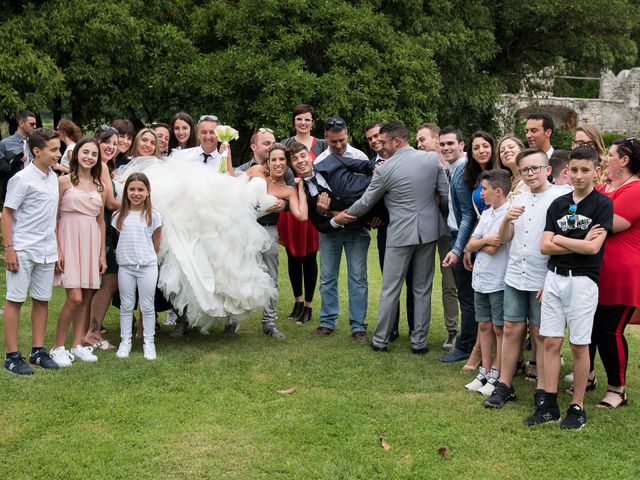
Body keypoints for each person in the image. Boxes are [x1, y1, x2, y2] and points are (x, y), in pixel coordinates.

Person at [114, 132, 277, 336]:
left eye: (152, 142)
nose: (147, 144)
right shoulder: (126, 168)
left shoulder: (164, 167)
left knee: (180, 267)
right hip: (136, 229)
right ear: (136, 142)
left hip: (166, 227)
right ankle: (145, 322)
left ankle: (176, 319)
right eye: (143, 140)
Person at [335, 121, 449, 352]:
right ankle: (419, 343)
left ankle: (380, 340)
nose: (380, 146)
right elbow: (445, 196)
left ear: (397, 141)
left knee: (390, 289)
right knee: (422, 289)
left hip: (399, 235)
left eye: (384, 142)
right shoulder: (431, 160)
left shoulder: (384, 170)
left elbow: (365, 202)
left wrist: (341, 215)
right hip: (428, 232)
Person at [527, 146, 613, 430]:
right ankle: (548, 404)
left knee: (579, 344)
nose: (578, 175)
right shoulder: (559, 204)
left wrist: (561, 240)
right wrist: (575, 241)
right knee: (551, 341)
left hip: (582, 282)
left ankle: (577, 406)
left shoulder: (602, 204)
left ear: (596, 172)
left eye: (585, 170)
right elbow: (543, 246)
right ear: (567, 171)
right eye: (574, 170)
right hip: (554, 277)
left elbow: (592, 248)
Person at [483, 148, 570, 409]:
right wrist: (506, 219)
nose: (530, 174)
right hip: (514, 276)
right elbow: (505, 238)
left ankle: (543, 388)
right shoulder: (517, 198)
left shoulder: (560, 198)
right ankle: (504, 385)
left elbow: (562, 241)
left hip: (543, 277)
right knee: (511, 329)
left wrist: (550, 279)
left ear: (548, 170)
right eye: (525, 170)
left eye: (535, 168)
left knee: (541, 333)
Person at [289, 141, 378, 342]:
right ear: (292, 165)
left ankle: (358, 326)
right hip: (330, 234)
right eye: (295, 159)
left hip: (357, 230)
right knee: (328, 278)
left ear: (310, 156)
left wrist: (377, 166)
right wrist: (332, 218)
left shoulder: (331, 162)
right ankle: (327, 322)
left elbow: (363, 167)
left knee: (358, 278)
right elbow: (318, 224)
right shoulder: (301, 190)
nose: (300, 161)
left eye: (302, 156)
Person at [2, 128, 61, 375]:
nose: (59, 154)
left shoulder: (53, 178)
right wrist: (10, 249)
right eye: (54, 150)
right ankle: (12, 357)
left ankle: (38, 351)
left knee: (42, 300)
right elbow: (7, 213)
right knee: (15, 300)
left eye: (59, 149)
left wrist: (56, 248)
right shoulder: (22, 179)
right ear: (37, 151)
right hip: (23, 248)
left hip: (47, 250)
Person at [588, 138, 640, 409]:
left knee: (610, 330)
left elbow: (613, 223)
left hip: (621, 271)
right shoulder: (602, 187)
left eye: (610, 155)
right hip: (594, 269)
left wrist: (584, 219)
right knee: (590, 328)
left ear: (625, 160)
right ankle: (588, 376)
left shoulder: (635, 189)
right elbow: (582, 210)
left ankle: (617, 389)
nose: (605, 159)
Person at [50, 138, 107, 365]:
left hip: (91, 240)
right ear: (76, 155)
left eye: (94, 154)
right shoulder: (63, 182)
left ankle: (78, 345)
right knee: (74, 297)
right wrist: (57, 249)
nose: (89, 157)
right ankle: (57, 346)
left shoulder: (99, 187)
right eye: (85, 152)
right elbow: (53, 217)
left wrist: (102, 253)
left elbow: (101, 222)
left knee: (85, 298)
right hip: (68, 239)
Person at [233, 127, 290, 340]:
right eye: (266, 143)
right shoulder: (242, 170)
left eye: (273, 142)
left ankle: (269, 322)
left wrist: (283, 203)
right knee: (237, 273)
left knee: (271, 275)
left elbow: (290, 194)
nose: (271, 147)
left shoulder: (283, 168)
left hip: (269, 229)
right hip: (243, 231)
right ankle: (232, 321)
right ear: (254, 146)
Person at [464, 169, 511, 394]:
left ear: (498, 191)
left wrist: (480, 243)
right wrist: (481, 242)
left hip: (498, 281)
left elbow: (493, 247)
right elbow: (471, 244)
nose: (481, 193)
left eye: (484, 189)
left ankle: (496, 374)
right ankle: (483, 371)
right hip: (481, 280)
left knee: (499, 328)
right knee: (483, 325)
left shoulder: (508, 214)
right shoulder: (487, 213)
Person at [279, 104, 326, 323]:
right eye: (299, 119)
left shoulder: (322, 145)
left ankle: (308, 304)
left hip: (312, 208)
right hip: (291, 208)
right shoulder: (285, 144)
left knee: (309, 256)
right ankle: (297, 301)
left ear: (312, 122)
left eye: (307, 119)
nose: (303, 123)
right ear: (294, 121)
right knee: (292, 255)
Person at [416, 123, 458, 350]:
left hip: (450, 231)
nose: (419, 144)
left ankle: (456, 331)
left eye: (423, 140)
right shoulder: (419, 164)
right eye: (417, 141)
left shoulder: (455, 165)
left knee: (450, 282)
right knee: (423, 281)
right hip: (424, 229)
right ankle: (444, 330)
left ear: (436, 139)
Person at [113, 173, 163, 360]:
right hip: (126, 267)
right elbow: (121, 239)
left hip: (147, 267)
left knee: (147, 305)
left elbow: (156, 243)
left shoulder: (154, 216)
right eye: (132, 189)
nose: (136, 193)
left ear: (148, 192)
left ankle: (149, 342)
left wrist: (145, 257)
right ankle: (125, 341)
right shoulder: (119, 216)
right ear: (126, 192)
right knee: (126, 305)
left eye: (140, 189)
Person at [86, 126, 121, 349]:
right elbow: (109, 202)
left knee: (96, 283)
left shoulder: (101, 166)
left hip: (98, 227)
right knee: (108, 281)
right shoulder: (103, 167)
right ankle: (93, 332)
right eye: (107, 142)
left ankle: (87, 330)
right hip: (102, 229)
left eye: (115, 144)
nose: (111, 147)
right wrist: (138, 204)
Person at [0, 110, 37, 203]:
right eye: (31, 124)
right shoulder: (5, 144)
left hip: (34, 187)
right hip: (13, 187)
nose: (34, 127)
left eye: (35, 124)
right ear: (21, 123)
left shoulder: (35, 143)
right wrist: (14, 161)